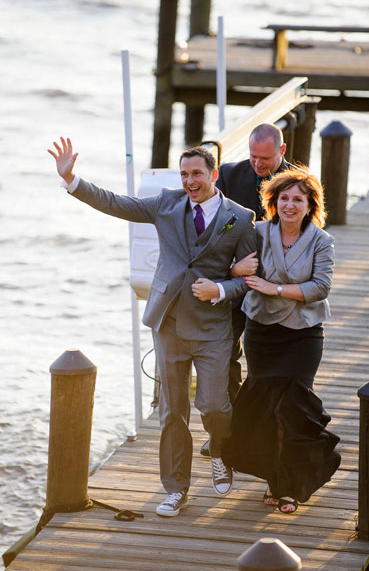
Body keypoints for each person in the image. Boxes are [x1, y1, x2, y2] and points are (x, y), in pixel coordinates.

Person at [47, 138, 257, 517]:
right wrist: (72, 180)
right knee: (172, 410)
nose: (190, 181)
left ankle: (221, 452)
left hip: (212, 326)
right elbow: (117, 204)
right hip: (170, 321)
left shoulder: (239, 218)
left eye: (196, 173)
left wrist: (223, 285)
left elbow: (251, 277)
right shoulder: (166, 203)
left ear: (213, 174)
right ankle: (176, 488)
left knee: (214, 405)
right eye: (184, 174)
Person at [222, 168, 340, 514]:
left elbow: (321, 287)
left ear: (309, 205)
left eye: (297, 200)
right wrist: (234, 272)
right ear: (273, 202)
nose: (290, 205)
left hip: (303, 335)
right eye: (284, 198)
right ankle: (277, 483)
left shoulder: (322, 241)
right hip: (262, 330)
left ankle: (290, 484)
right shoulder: (256, 233)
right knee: (267, 408)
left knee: (292, 408)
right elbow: (231, 268)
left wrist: (275, 289)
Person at [198, 123, 297, 458]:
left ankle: (263, 435)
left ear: (281, 152)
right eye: (254, 156)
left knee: (268, 366)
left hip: (276, 289)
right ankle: (224, 433)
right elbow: (215, 226)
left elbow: (307, 235)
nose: (258, 164)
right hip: (235, 283)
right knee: (223, 357)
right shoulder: (227, 175)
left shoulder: (297, 183)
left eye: (266, 158)